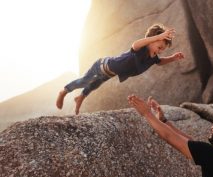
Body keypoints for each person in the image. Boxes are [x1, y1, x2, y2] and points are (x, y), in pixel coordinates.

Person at [56, 24, 184, 115]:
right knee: (85, 81)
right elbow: (135, 44)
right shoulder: (141, 49)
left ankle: (80, 98)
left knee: (94, 85)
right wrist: (157, 36)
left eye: (163, 49)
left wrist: (172, 58)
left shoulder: (153, 58)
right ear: (150, 41)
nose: (160, 51)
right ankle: (64, 91)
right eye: (159, 47)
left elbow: (160, 62)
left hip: (109, 73)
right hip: (102, 65)